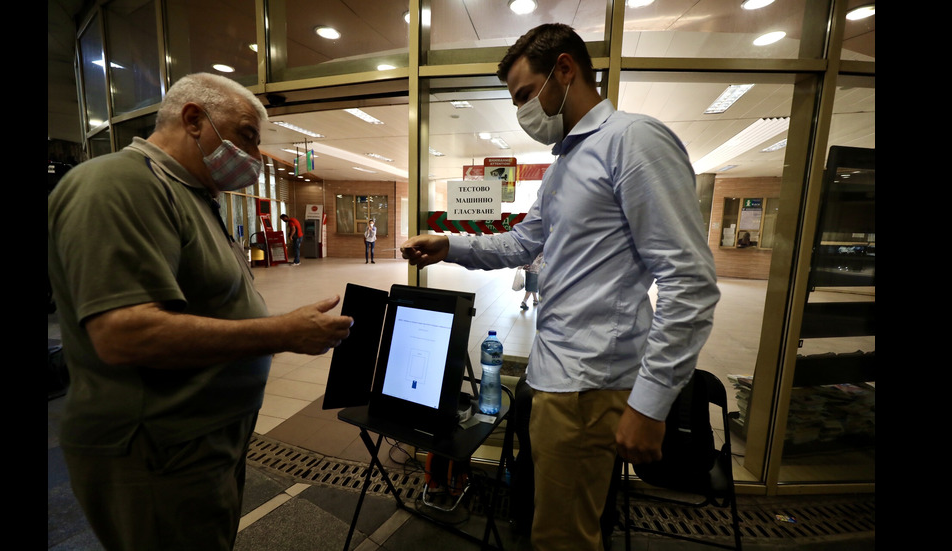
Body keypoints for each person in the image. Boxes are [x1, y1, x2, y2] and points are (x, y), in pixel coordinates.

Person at [400, 23, 720, 551]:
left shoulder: (632, 141)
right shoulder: (566, 164)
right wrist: (449, 246)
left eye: (526, 94)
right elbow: (522, 244)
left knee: (562, 539)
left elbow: (689, 282)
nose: (523, 110)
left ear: (565, 70)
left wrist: (650, 402)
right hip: (556, 380)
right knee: (550, 525)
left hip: (591, 387)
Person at [47, 72, 354, 551]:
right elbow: (124, 334)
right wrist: (280, 333)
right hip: (156, 451)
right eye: (247, 137)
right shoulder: (119, 184)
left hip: (203, 442)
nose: (254, 158)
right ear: (193, 119)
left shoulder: (193, 195)